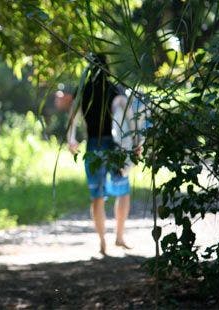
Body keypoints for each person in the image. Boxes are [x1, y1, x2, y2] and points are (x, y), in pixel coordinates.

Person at [66, 53, 140, 255]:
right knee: (122, 191)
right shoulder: (114, 89)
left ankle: (102, 242)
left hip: (93, 147)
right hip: (114, 148)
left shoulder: (83, 90)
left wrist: (71, 139)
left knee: (97, 196)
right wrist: (135, 143)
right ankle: (119, 237)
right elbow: (128, 114)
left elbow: (72, 117)